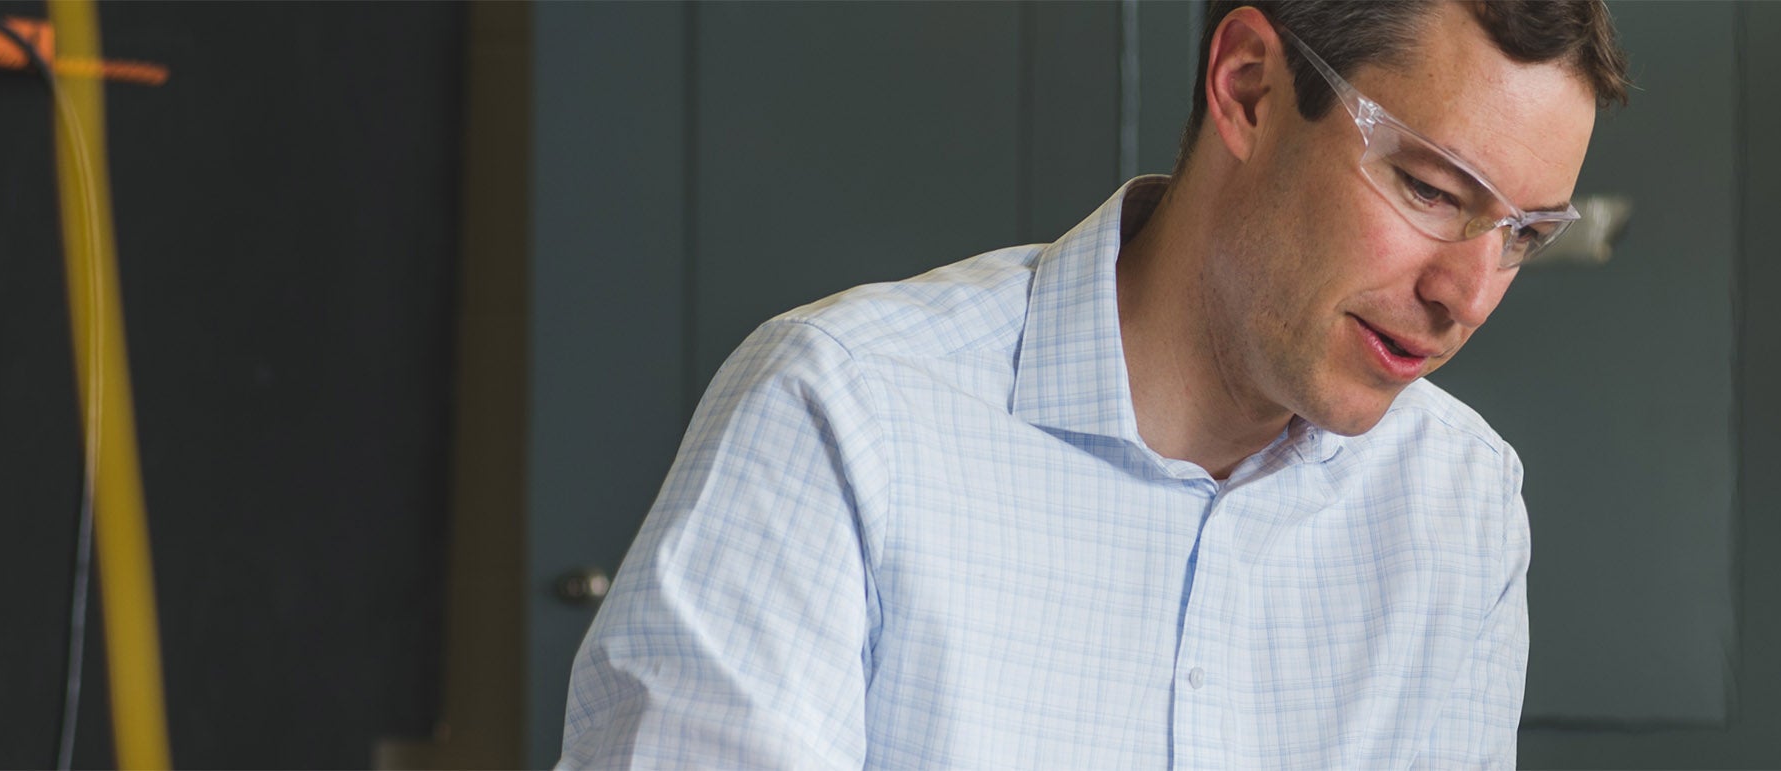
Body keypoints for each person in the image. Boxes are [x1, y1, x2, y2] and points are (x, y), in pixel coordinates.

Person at [557, 1, 1627, 767]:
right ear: (1249, 89)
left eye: (1521, 237)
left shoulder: (1463, 506)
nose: (1467, 295)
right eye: (1434, 192)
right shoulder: (843, 417)